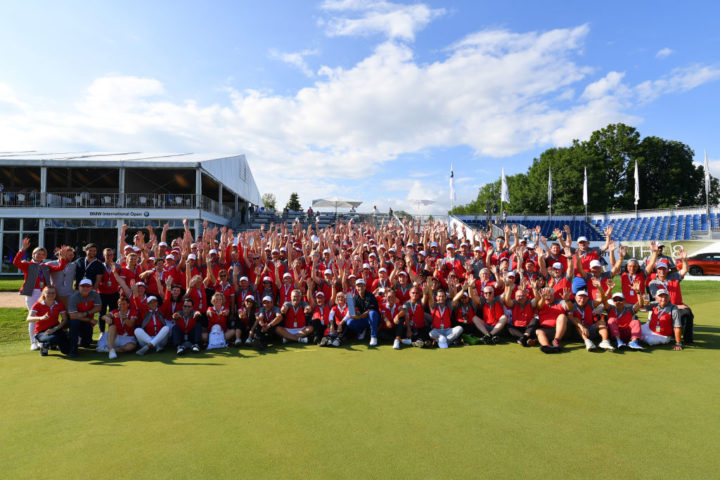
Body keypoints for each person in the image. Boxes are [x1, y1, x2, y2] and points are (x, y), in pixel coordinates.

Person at [14, 238, 68, 350]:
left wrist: (61, 256)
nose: (40, 256)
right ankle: (33, 341)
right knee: (34, 316)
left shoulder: (46, 266)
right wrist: (22, 249)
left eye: (42, 254)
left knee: (46, 316)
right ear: (33, 254)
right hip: (32, 293)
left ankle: (41, 339)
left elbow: (60, 267)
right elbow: (16, 262)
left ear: (44, 256)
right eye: (38, 253)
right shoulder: (27, 265)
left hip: (45, 293)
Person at [26, 286, 70, 356]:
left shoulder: (60, 304)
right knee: (54, 338)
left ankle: (52, 344)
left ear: (56, 294)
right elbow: (28, 318)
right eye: (48, 293)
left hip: (55, 329)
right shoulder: (38, 304)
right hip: (41, 332)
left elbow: (64, 319)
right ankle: (44, 345)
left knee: (67, 351)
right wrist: (41, 318)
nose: (51, 295)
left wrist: (55, 329)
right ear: (44, 293)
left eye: (53, 293)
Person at [67, 278, 102, 357]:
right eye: (83, 286)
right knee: (74, 324)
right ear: (79, 287)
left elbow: (98, 307)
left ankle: (80, 339)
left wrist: (85, 313)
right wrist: (89, 319)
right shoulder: (73, 297)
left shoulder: (95, 294)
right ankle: (73, 349)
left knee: (86, 344)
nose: (85, 288)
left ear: (91, 287)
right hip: (75, 320)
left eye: (88, 286)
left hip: (86, 320)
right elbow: (73, 316)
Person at [100, 295, 138, 359]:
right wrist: (107, 318)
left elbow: (131, 324)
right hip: (117, 336)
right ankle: (111, 351)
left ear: (128, 304)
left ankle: (111, 349)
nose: (121, 306)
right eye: (120, 304)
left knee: (130, 347)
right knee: (112, 327)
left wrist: (124, 318)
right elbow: (103, 316)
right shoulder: (115, 311)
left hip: (128, 337)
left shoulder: (133, 312)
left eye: (124, 304)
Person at [348, 279, 380, 346]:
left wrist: (359, 316)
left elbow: (370, 311)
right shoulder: (355, 298)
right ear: (356, 287)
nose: (360, 288)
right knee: (349, 322)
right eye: (358, 286)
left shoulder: (370, 296)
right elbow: (354, 312)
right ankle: (362, 330)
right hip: (364, 319)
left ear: (365, 287)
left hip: (374, 319)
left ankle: (373, 336)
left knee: (372, 313)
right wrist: (351, 309)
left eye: (362, 286)